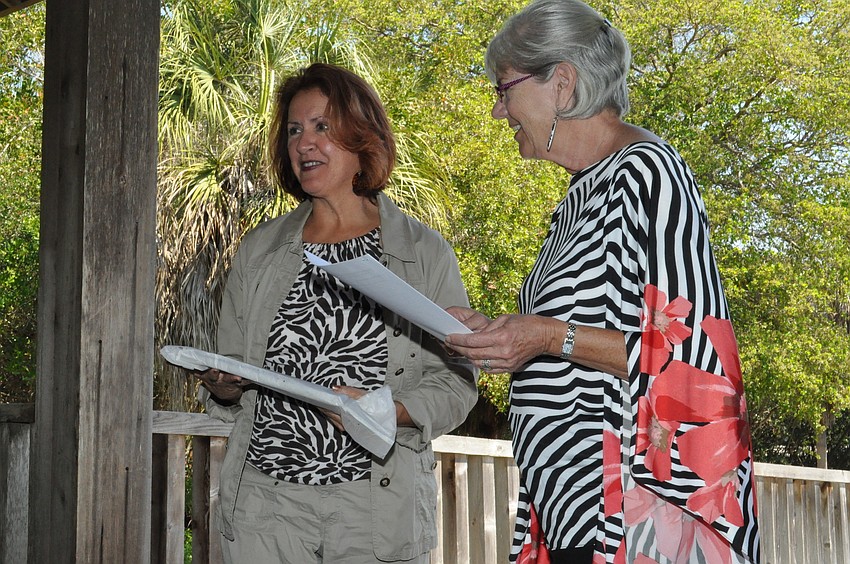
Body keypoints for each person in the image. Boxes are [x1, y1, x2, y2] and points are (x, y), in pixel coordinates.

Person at [443, 1, 760, 563]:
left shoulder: (647, 173)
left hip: (632, 516)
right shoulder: (580, 195)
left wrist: (545, 337)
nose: (498, 112)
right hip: (572, 511)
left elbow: (694, 355)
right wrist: (503, 334)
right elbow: (576, 334)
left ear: (562, 83)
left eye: (504, 89)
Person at [196, 62, 478, 564]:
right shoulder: (260, 250)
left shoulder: (423, 253)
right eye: (294, 130)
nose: (305, 142)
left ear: (361, 138)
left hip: (374, 508)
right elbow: (233, 369)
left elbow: (456, 382)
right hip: (267, 507)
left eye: (322, 127)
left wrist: (386, 411)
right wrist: (222, 383)